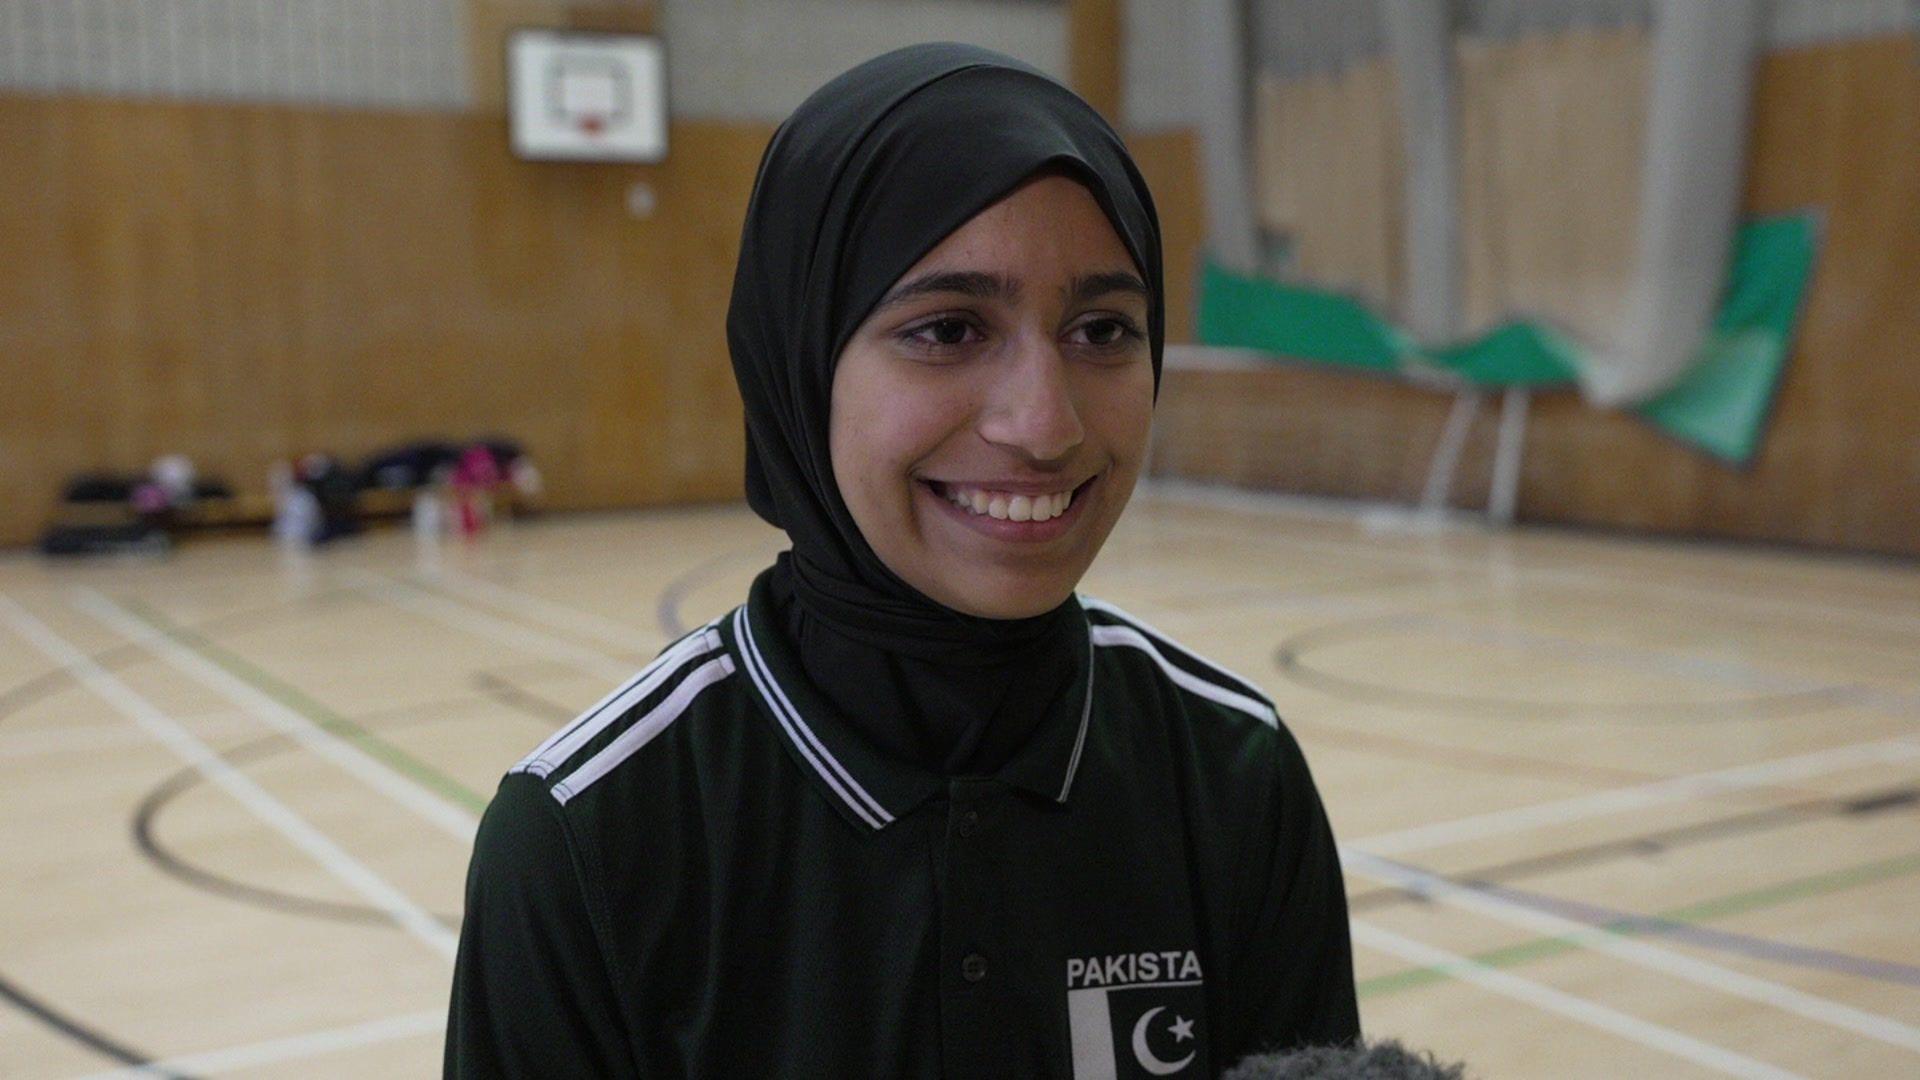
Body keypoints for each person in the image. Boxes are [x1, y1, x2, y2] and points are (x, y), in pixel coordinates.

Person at [446, 42, 1358, 1078]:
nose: (1044, 424)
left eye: (1103, 329)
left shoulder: (1236, 777)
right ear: (802, 356)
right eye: (949, 329)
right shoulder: (588, 840)